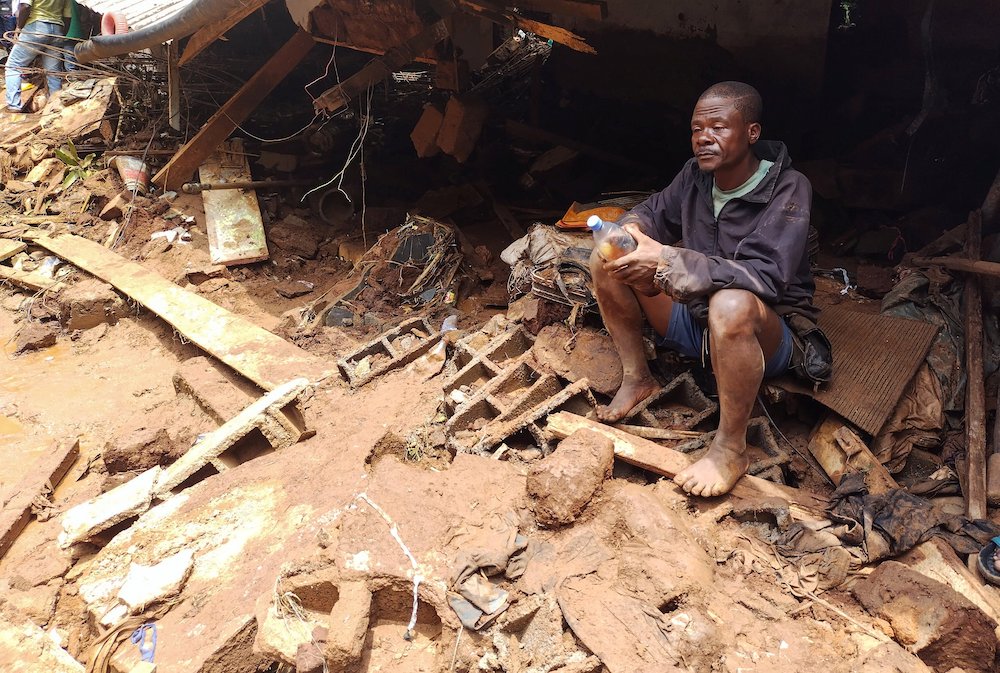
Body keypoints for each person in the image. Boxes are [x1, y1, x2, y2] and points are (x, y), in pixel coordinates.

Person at [591, 81, 824, 497]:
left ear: (751, 133)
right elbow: (652, 211)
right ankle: (636, 378)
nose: (704, 138)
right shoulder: (695, 176)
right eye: (697, 129)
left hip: (762, 334)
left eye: (718, 127)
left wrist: (665, 260)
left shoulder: (789, 189)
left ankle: (730, 448)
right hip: (693, 319)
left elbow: (766, 277)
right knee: (606, 257)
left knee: (731, 304)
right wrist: (631, 231)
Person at [4, 0, 68, 112]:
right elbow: (67, 16)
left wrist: (19, 28)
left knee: (13, 66)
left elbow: (25, 6)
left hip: (36, 26)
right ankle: (56, 106)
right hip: (57, 28)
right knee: (53, 72)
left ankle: (14, 105)